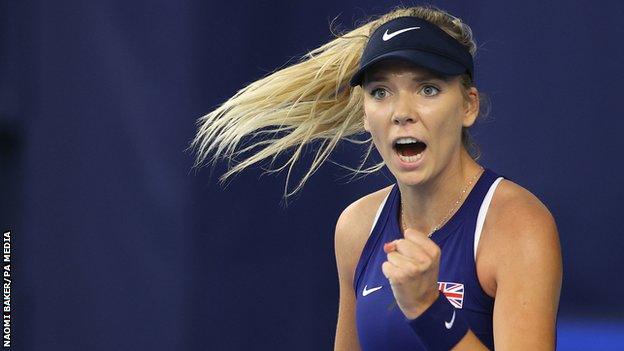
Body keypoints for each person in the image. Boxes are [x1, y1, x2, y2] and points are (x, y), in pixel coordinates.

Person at [190, 5, 562, 350]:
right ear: (366, 115)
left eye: (428, 89)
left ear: (468, 105)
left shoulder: (518, 224)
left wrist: (430, 310)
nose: (402, 112)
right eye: (380, 92)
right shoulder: (357, 227)